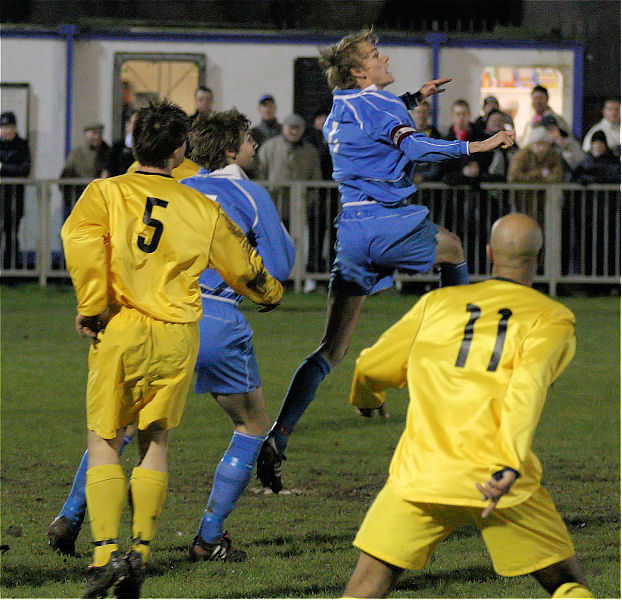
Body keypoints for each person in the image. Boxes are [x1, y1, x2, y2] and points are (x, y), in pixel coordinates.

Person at [256, 28, 515, 493]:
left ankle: (279, 436)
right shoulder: (380, 105)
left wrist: (415, 96)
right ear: (360, 70)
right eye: (375, 55)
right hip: (389, 222)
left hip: (352, 230)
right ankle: (460, 341)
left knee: (330, 350)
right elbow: (411, 145)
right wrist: (475, 146)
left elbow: (372, 119)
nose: (384, 56)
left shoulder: (339, 105)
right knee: (452, 246)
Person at [48, 108, 294, 564]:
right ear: (227, 149)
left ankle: (79, 524)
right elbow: (271, 268)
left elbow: (87, 240)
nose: (254, 145)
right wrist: (270, 293)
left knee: (114, 430)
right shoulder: (236, 196)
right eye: (247, 139)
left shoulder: (140, 187)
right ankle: (204, 536)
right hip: (200, 321)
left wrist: (93, 303)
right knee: (245, 425)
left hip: (130, 320)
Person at [343, 213, 594, 600]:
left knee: (364, 588)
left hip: (423, 474)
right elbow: (526, 390)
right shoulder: (552, 318)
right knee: (566, 586)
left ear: (490, 253)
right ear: (539, 259)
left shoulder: (438, 303)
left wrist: (368, 398)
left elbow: (372, 366)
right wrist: (509, 463)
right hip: (499, 481)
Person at [254, 113, 322, 292]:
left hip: (299, 208)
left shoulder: (309, 151)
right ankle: (273, 278)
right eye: (290, 127)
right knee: (273, 243)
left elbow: (316, 179)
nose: (293, 131)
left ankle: (296, 279)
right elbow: (260, 174)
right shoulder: (269, 148)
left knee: (298, 244)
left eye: (297, 128)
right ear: (283, 128)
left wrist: (308, 201)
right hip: (274, 206)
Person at [59, 123, 111, 220]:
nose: (97, 136)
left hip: (102, 201)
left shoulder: (108, 152)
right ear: (86, 134)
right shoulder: (77, 154)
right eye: (93, 133)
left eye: (99, 133)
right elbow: (65, 178)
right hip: (81, 198)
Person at [0, 111, 31, 270]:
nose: (7, 130)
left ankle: (10, 269)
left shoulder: (22, 145)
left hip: (14, 198)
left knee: (12, 233)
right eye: (4, 127)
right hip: (4, 196)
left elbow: (25, 169)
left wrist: (3, 167)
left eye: (9, 127)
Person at [104, 109, 138, 177]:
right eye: (135, 123)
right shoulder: (117, 147)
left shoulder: (148, 146)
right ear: (128, 124)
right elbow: (108, 171)